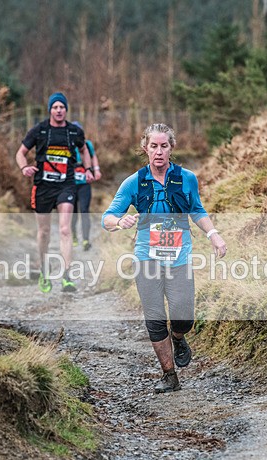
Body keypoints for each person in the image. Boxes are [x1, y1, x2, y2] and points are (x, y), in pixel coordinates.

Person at [102, 124, 227, 393]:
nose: (159, 152)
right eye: (153, 146)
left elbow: (197, 209)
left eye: (164, 146)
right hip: (147, 257)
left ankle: (179, 337)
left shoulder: (187, 179)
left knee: (184, 316)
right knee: (155, 318)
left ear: (171, 148)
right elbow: (107, 218)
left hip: (180, 257)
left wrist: (214, 235)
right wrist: (120, 221)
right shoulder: (133, 182)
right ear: (145, 148)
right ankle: (169, 375)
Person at [15, 92, 95, 293]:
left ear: (66, 110)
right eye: (55, 107)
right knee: (44, 232)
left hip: (66, 186)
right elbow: (20, 153)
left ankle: (67, 276)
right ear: (50, 110)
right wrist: (24, 168)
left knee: (65, 229)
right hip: (42, 186)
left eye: (62, 107)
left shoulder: (74, 132)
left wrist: (88, 169)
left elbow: (85, 150)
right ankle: (43, 269)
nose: (59, 110)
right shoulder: (39, 130)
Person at [70, 121, 101, 251]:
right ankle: (74, 237)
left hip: (84, 184)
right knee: (72, 213)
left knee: (84, 210)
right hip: (70, 184)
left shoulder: (87, 145)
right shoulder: (67, 145)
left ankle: (86, 240)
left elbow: (93, 157)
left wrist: (96, 169)